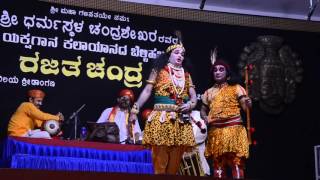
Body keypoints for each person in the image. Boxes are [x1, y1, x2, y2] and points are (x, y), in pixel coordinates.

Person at [129, 43, 197, 175]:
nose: (180, 56)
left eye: (182, 54)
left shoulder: (187, 75)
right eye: (176, 53)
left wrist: (190, 105)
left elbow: (194, 97)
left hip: (180, 121)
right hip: (161, 119)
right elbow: (147, 91)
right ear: (168, 55)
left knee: (175, 164)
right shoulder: (158, 70)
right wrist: (134, 110)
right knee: (159, 162)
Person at [200, 59, 252, 179]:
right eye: (215, 70)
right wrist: (205, 118)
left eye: (221, 70)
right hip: (216, 132)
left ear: (227, 73)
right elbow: (203, 110)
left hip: (234, 130)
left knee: (236, 163)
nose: (217, 72)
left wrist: (248, 104)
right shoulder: (208, 92)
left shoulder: (237, 88)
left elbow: (246, 108)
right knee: (218, 166)